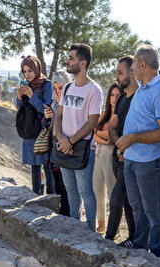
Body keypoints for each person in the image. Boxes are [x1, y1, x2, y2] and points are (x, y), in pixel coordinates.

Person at [116, 44, 160, 257]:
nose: (132, 71)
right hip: (133, 158)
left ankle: (158, 256)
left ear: (142, 64)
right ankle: (141, 248)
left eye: (133, 66)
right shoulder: (143, 87)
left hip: (150, 161)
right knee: (137, 206)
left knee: (154, 210)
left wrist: (132, 138)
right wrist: (127, 145)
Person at [55, 43, 102, 231]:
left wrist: (70, 141)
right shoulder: (67, 88)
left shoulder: (94, 90)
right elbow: (59, 116)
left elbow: (93, 121)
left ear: (83, 63)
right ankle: (75, 228)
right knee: (71, 191)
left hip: (82, 149)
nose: (67, 61)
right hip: (64, 147)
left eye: (71, 58)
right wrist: (60, 138)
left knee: (85, 191)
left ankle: (90, 230)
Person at [105, 56, 137, 246]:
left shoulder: (140, 98)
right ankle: (133, 238)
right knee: (125, 202)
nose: (116, 76)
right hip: (118, 157)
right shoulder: (122, 98)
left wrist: (125, 149)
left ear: (131, 73)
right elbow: (112, 127)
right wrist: (119, 145)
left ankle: (108, 240)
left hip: (132, 159)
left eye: (119, 72)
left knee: (117, 199)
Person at [16, 55, 54, 195]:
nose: (28, 74)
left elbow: (46, 109)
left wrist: (32, 96)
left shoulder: (47, 85)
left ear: (37, 69)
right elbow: (19, 108)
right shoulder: (26, 85)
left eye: (30, 70)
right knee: (34, 166)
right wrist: (20, 97)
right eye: (25, 71)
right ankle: (36, 196)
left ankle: (50, 197)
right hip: (30, 130)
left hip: (43, 131)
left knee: (47, 165)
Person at [93, 84, 121, 234]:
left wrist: (101, 134)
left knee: (112, 192)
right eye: (112, 95)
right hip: (98, 153)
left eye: (118, 95)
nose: (114, 98)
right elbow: (94, 133)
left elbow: (113, 137)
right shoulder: (104, 113)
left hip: (112, 155)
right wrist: (105, 137)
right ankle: (101, 224)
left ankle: (114, 226)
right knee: (97, 190)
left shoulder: (122, 115)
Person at [46, 71, 71, 215]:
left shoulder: (71, 104)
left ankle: (69, 215)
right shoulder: (53, 103)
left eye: (60, 88)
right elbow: (48, 129)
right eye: (54, 88)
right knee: (58, 185)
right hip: (54, 152)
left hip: (68, 151)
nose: (57, 92)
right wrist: (46, 118)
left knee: (68, 186)